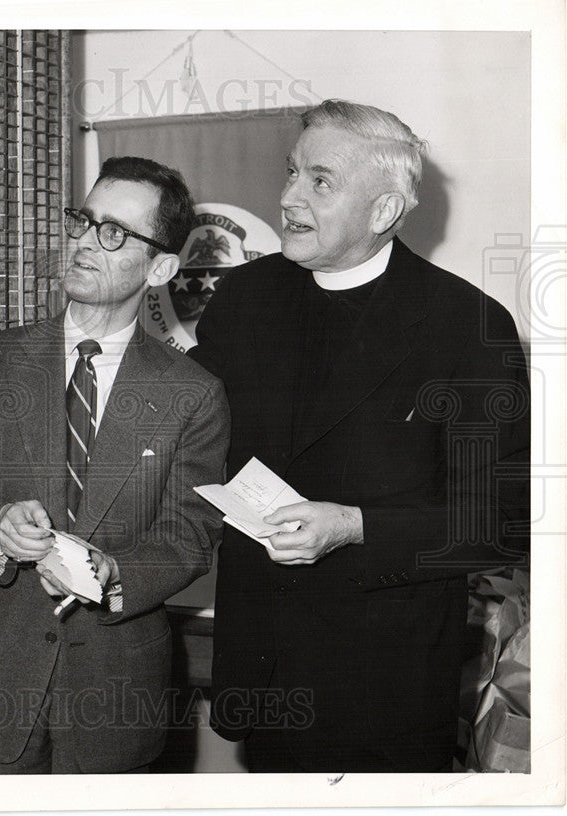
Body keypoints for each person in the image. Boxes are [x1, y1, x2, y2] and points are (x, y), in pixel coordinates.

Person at [189, 100, 530, 772]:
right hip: (260, 666)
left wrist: (354, 525)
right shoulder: (242, 297)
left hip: (382, 687)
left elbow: (504, 521)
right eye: (291, 172)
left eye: (319, 181)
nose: (287, 197)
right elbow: (186, 428)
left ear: (383, 211)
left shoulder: (467, 324)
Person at [0, 157, 230, 774]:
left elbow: (192, 535)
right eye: (84, 221)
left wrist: (114, 574)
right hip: (0, 683)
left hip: (117, 692)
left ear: (162, 267)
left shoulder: (192, 394)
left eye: (114, 232)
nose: (85, 241)